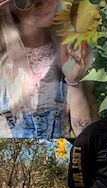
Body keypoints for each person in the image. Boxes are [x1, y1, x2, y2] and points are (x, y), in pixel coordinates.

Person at [0, 0, 93, 138]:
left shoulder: (75, 50)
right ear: (8, 9)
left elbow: (85, 135)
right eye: (24, 1)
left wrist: (73, 82)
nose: (41, 2)